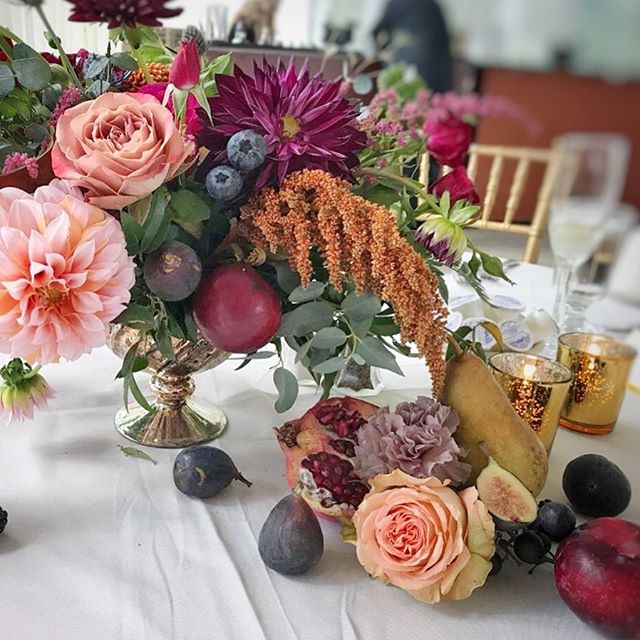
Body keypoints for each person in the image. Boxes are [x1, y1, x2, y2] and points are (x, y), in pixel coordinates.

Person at [372, 0, 453, 93]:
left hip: (400, 65)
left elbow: (376, 32)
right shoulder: (432, 4)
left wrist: (385, 53)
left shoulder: (395, 3)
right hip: (430, 67)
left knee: (397, 102)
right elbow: (444, 40)